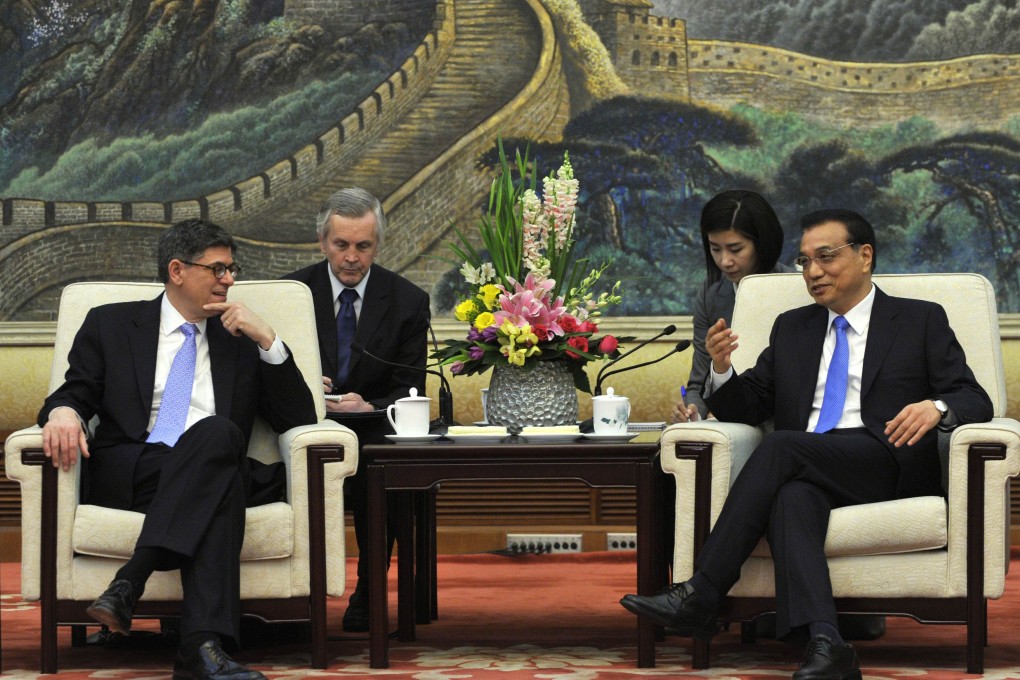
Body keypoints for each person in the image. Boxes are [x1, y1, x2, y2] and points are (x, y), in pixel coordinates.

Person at [621, 208, 993, 679]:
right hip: (810, 462)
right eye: (804, 262)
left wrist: (936, 408)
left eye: (825, 257)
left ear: (864, 256)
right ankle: (827, 643)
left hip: (885, 461)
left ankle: (704, 591)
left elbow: (974, 398)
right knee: (793, 499)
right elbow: (749, 405)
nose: (813, 272)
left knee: (780, 449)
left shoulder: (918, 320)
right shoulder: (793, 327)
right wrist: (719, 369)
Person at [39, 219, 317, 680]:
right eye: (219, 269)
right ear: (177, 270)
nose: (230, 279)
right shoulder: (112, 324)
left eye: (232, 269)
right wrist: (63, 413)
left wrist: (267, 339)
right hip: (136, 467)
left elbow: (299, 420)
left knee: (216, 440)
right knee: (222, 450)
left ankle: (137, 586)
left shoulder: (240, 340)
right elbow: (74, 391)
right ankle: (201, 650)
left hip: (206, 468)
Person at [282, 187, 430, 632]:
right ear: (323, 242)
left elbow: (410, 388)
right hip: (301, 429)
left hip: (370, 432)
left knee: (376, 468)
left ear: (377, 245)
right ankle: (289, 598)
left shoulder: (406, 300)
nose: (351, 257)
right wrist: (306, 389)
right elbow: (262, 370)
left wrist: (370, 404)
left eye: (362, 246)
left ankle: (368, 590)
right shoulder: (292, 292)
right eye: (341, 245)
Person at [674, 189, 793, 423]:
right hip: (726, 422)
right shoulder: (711, 293)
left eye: (736, 249)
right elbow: (698, 383)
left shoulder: (793, 287)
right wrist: (692, 414)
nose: (725, 261)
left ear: (762, 243)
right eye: (715, 248)